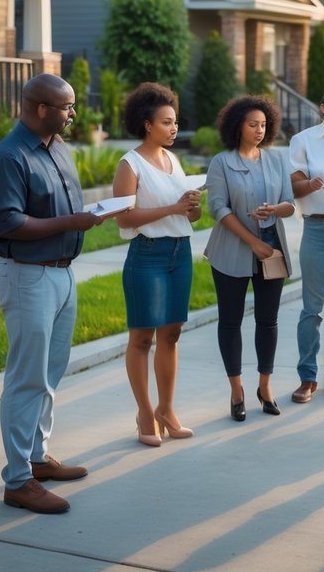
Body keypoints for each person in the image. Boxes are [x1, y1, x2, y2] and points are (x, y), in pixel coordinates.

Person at [0, 73, 105, 515]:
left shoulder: (58, 148)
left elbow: (63, 210)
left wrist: (84, 217)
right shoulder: (9, 157)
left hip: (62, 274)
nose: (73, 114)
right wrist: (71, 224)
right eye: (66, 107)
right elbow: (8, 224)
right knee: (26, 378)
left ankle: (36, 459)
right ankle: (17, 481)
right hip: (27, 276)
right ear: (40, 109)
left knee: (50, 374)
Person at [112, 83, 202, 446]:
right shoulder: (129, 164)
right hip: (147, 256)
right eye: (167, 122)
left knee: (171, 334)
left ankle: (167, 409)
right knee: (142, 337)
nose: (173, 128)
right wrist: (174, 208)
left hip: (180, 253)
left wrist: (191, 210)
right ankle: (145, 412)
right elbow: (124, 219)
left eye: (175, 122)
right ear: (147, 124)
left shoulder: (173, 160)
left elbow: (186, 216)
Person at [205, 95, 295, 420]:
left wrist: (275, 210)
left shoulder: (276, 160)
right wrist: (250, 242)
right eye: (252, 124)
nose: (259, 130)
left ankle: (265, 386)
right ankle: (236, 390)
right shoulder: (221, 163)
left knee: (268, 321)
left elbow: (290, 203)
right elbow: (218, 208)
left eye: (264, 125)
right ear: (237, 126)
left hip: (272, 249)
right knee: (230, 321)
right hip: (232, 251)